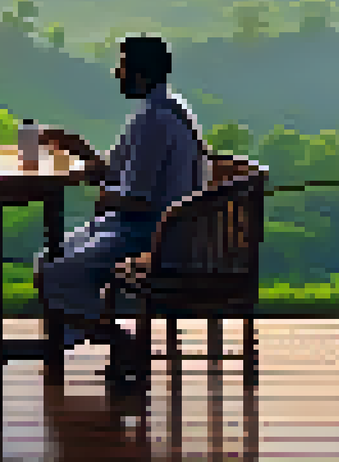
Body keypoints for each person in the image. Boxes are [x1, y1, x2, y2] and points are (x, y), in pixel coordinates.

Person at [32, 34, 211, 396]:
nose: (117, 74)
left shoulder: (153, 122)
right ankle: (99, 336)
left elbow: (138, 200)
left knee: (54, 267)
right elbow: (115, 172)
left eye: (122, 67)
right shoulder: (165, 111)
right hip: (158, 228)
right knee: (51, 257)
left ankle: (121, 342)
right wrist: (77, 146)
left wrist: (105, 202)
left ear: (140, 75)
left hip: (153, 235)